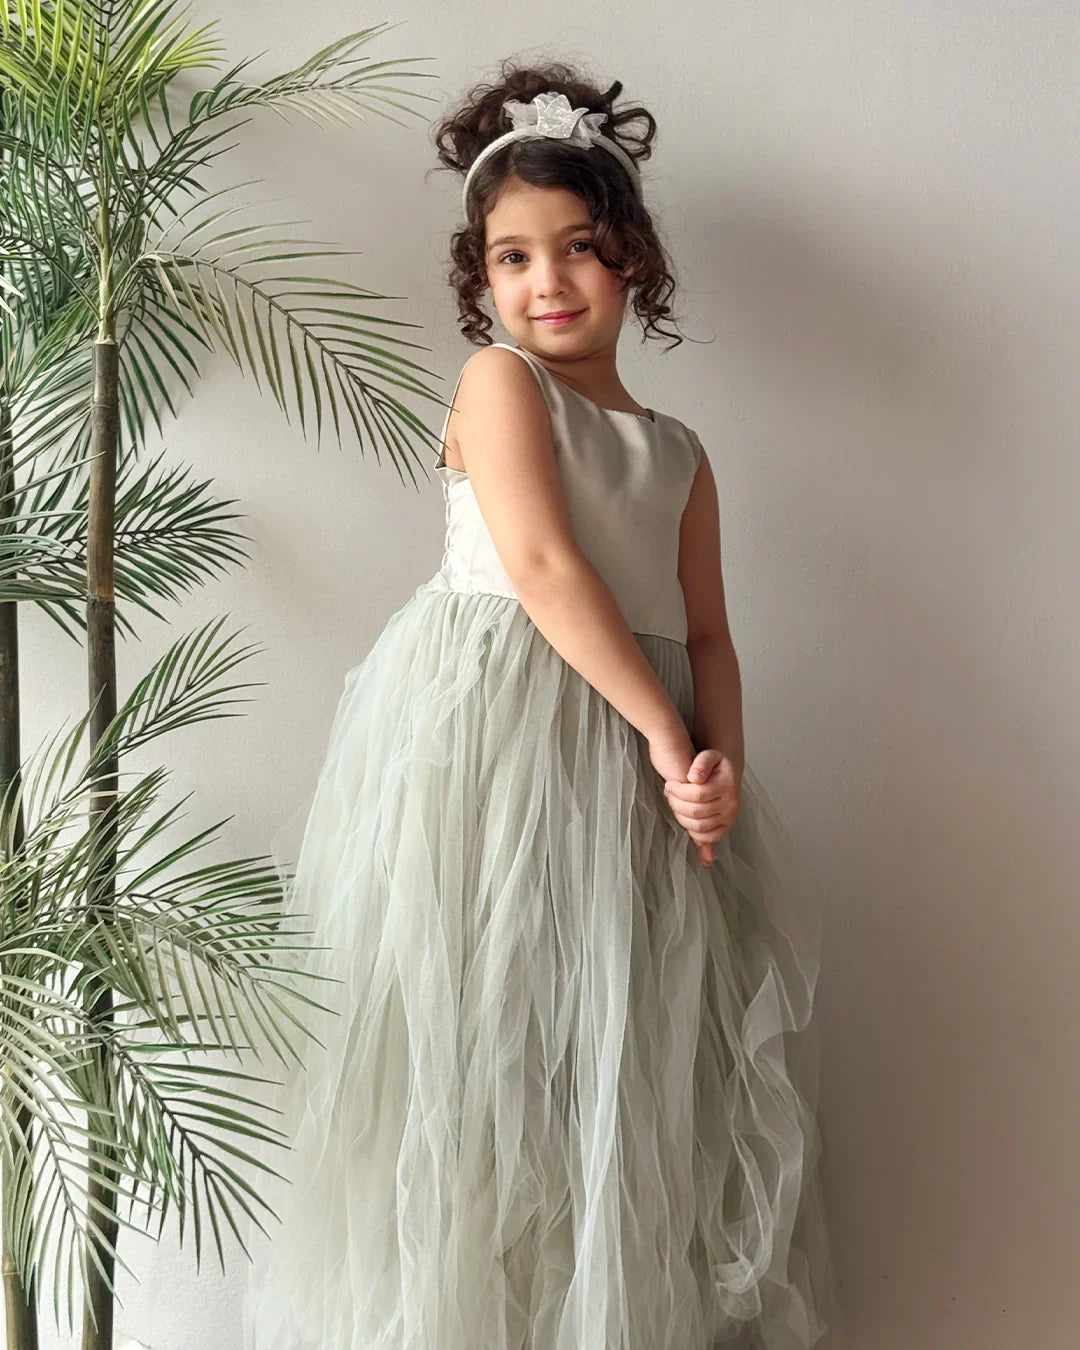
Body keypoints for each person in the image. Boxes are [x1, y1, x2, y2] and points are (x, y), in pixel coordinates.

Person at [243, 61, 842, 1350]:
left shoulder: (679, 451)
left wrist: (716, 763)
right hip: (502, 753)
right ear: (482, 282)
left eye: (577, 248)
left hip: (638, 781)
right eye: (511, 259)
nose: (546, 282)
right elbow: (543, 570)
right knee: (483, 1050)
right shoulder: (497, 385)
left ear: (632, 261)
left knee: (621, 1067)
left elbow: (713, 631)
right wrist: (667, 733)